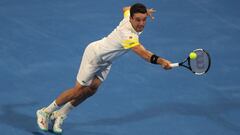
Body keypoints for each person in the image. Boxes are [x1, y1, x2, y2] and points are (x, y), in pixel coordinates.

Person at [36, 3, 172, 134]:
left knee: (92, 90)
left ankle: (60, 114)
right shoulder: (127, 34)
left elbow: (126, 8)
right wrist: (161, 61)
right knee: (78, 90)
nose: (141, 24)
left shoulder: (128, 16)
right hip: (94, 56)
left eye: (144, 20)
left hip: (106, 61)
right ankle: (46, 112)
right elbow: (144, 53)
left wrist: (146, 11)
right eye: (138, 20)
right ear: (131, 18)